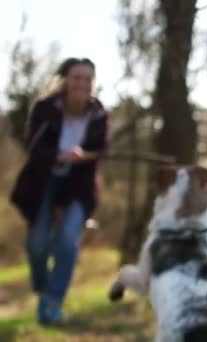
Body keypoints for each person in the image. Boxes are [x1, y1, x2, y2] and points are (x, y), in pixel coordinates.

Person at [10, 57, 110, 325]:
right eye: (77, 77)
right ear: (65, 80)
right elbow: (33, 146)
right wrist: (58, 155)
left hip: (79, 186)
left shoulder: (98, 114)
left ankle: (52, 305)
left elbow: (100, 151)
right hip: (42, 182)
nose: (82, 83)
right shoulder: (45, 108)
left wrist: (84, 155)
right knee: (38, 245)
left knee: (67, 242)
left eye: (88, 78)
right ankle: (43, 288)